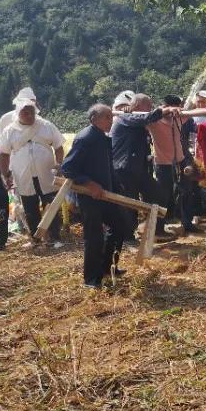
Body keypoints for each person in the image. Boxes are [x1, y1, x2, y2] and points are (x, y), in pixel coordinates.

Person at [62, 104, 131, 288]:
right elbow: (68, 168)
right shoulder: (85, 138)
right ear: (94, 119)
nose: (111, 120)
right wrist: (89, 183)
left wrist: (118, 188)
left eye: (111, 116)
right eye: (107, 117)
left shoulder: (102, 138)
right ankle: (91, 279)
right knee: (94, 237)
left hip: (106, 195)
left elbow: (108, 167)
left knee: (120, 227)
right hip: (90, 196)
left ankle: (108, 267)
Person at [0, 99, 65, 247]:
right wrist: (5, 174)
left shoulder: (46, 126)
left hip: (47, 174)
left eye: (31, 112)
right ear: (18, 113)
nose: (29, 115)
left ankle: (54, 237)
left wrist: (59, 165)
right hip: (24, 176)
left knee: (51, 205)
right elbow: (3, 154)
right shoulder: (9, 131)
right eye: (25, 112)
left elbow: (59, 146)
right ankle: (35, 239)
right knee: (30, 208)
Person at [111, 94, 178, 238]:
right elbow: (146, 118)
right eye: (149, 105)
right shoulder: (125, 118)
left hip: (136, 169)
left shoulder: (134, 118)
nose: (150, 108)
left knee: (157, 195)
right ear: (139, 106)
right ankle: (127, 238)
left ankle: (155, 230)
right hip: (124, 169)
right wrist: (162, 111)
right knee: (129, 204)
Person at [147, 95, 185, 229]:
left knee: (180, 191)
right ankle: (159, 225)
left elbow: (196, 110)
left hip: (179, 161)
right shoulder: (154, 121)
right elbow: (136, 118)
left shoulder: (180, 117)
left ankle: (175, 217)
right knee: (163, 194)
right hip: (162, 163)